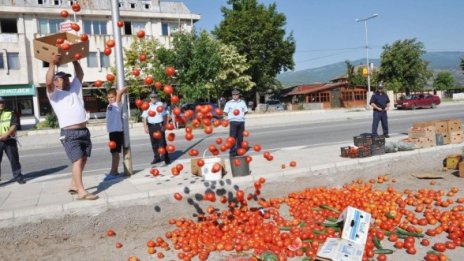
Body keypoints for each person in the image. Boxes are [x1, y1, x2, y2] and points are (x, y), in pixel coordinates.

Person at [45, 54, 98, 200]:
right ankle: (81, 191)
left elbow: (80, 74)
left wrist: (74, 59)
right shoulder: (54, 94)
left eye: (67, 78)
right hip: (69, 133)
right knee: (78, 160)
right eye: (63, 78)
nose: (67, 80)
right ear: (56, 82)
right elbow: (48, 81)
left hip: (83, 131)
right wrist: (52, 64)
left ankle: (74, 184)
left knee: (84, 158)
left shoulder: (74, 89)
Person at [0, 97, 26, 184]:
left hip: (9, 139)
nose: (1, 104)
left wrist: (6, 135)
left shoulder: (11, 112)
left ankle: (18, 177)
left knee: (14, 159)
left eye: (2, 102)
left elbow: (14, 125)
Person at [104, 87, 127, 181]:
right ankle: (115, 171)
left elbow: (121, 92)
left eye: (112, 97)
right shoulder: (109, 105)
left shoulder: (117, 104)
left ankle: (113, 172)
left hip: (117, 132)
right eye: (108, 97)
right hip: (112, 132)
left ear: (116, 97)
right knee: (114, 153)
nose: (110, 99)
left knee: (115, 153)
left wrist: (121, 90)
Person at [142, 91, 171, 165]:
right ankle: (157, 158)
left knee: (162, 143)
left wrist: (164, 125)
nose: (153, 98)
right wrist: (145, 127)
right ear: (150, 98)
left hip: (159, 125)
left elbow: (165, 115)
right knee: (154, 143)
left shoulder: (160, 104)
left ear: (157, 97)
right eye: (152, 97)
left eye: (155, 97)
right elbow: (144, 117)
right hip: (151, 126)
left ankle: (165, 158)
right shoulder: (147, 105)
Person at [223, 88, 248, 156]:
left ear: (238, 95)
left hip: (241, 122)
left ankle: (239, 151)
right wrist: (231, 117)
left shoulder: (242, 102)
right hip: (233, 122)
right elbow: (225, 112)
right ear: (232, 95)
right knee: (232, 138)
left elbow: (245, 111)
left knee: (240, 138)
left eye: (236, 94)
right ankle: (232, 152)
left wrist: (240, 116)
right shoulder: (228, 103)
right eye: (234, 94)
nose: (235, 95)